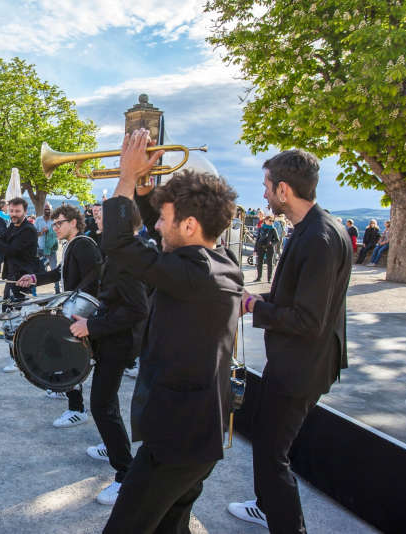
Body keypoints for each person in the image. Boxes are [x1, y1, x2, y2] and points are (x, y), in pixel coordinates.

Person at [100, 129, 242, 533]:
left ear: (191, 225)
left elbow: (120, 245)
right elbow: (162, 233)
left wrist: (127, 178)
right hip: (198, 437)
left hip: (176, 441)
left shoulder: (192, 273)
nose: (157, 228)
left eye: (164, 220)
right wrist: (147, 193)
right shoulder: (220, 260)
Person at [228, 149, 352, 533]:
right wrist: (251, 300)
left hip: (302, 365)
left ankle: (286, 523)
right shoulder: (315, 228)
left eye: (266, 187)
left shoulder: (319, 238)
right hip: (296, 361)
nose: (263, 196)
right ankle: (266, 505)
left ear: (283, 189)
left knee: (270, 451)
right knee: (269, 442)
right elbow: (295, 298)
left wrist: (254, 308)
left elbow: (307, 320)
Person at [69, 202, 149, 505]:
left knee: (101, 404)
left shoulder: (126, 258)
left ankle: (125, 473)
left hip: (119, 341)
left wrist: (93, 325)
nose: (95, 219)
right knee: (107, 402)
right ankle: (114, 445)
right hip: (112, 336)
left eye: (102, 217)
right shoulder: (118, 253)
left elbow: (137, 308)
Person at [15, 205, 102, 424]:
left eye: (59, 223)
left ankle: (77, 410)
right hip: (74, 306)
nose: (55, 228)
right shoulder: (73, 245)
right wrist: (33, 278)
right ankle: (67, 391)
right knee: (66, 351)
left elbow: (96, 273)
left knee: (70, 354)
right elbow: (57, 273)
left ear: (74, 222)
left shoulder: (83, 244)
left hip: (80, 310)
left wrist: (74, 297)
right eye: (53, 224)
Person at [0, 197, 39, 362]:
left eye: (17, 211)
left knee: (18, 320)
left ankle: (20, 358)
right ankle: (14, 355)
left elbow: (9, 250)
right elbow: (3, 238)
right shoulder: (13, 225)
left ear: (25, 212)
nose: (14, 214)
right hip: (11, 277)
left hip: (23, 279)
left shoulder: (29, 230)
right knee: (8, 315)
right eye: (11, 211)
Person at [34, 202, 60, 294]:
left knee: (54, 270)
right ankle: (33, 291)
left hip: (52, 249)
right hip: (40, 249)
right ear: (43, 210)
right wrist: (41, 232)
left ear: (51, 210)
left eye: (48, 209)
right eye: (45, 209)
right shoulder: (38, 220)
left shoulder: (55, 220)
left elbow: (59, 233)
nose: (47, 210)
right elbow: (33, 234)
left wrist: (53, 232)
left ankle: (57, 290)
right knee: (38, 270)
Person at [254, 215, 279, 282]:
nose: (271, 222)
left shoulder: (273, 229)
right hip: (260, 247)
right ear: (265, 220)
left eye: (272, 221)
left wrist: (272, 243)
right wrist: (255, 249)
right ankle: (259, 278)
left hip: (269, 248)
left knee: (269, 263)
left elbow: (277, 240)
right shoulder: (260, 228)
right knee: (259, 263)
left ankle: (269, 278)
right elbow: (257, 239)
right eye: (270, 220)